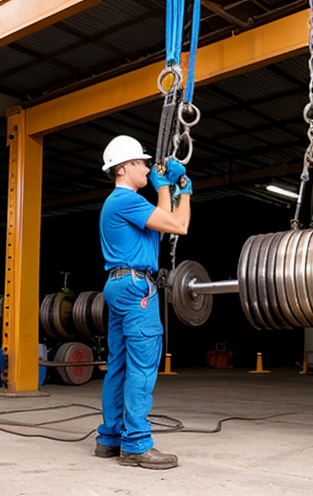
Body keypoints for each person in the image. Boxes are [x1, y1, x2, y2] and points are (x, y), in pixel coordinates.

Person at [94, 135, 192, 470]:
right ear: (123, 169)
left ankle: (109, 438)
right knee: (142, 366)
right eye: (141, 163)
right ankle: (136, 444)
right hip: (136, 290)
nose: (147, 167)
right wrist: (187, 189)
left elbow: (162, 220)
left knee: (119, 366)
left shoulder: (125, 203)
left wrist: (164, 186)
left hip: (119, 285)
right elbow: (179, 225)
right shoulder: (125, 200)